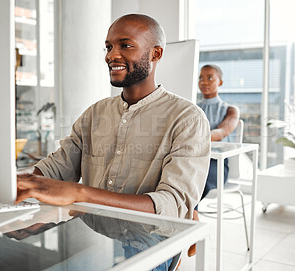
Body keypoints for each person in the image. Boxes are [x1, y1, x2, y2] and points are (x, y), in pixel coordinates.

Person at [16, 14, 211, 221]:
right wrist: (15, 181)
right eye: (108, 47)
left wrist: (81, 193)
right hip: (92, 234)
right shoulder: (95, 113)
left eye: (125, 46)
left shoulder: (188, 119)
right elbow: (57, 168)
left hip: (150, 242)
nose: (111, 56)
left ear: (156, 54)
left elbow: (172, 205)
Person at [187, 64, 239, 256]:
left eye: (210, 78)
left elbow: (223, 132)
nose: (204, 82)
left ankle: (191, 225)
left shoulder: (230, 109)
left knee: (193, 178)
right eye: (201, 78)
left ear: (220, 82)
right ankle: (193, 223)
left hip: (217, 165)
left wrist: (195, 137)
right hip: (193, 161)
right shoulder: (191, 107)